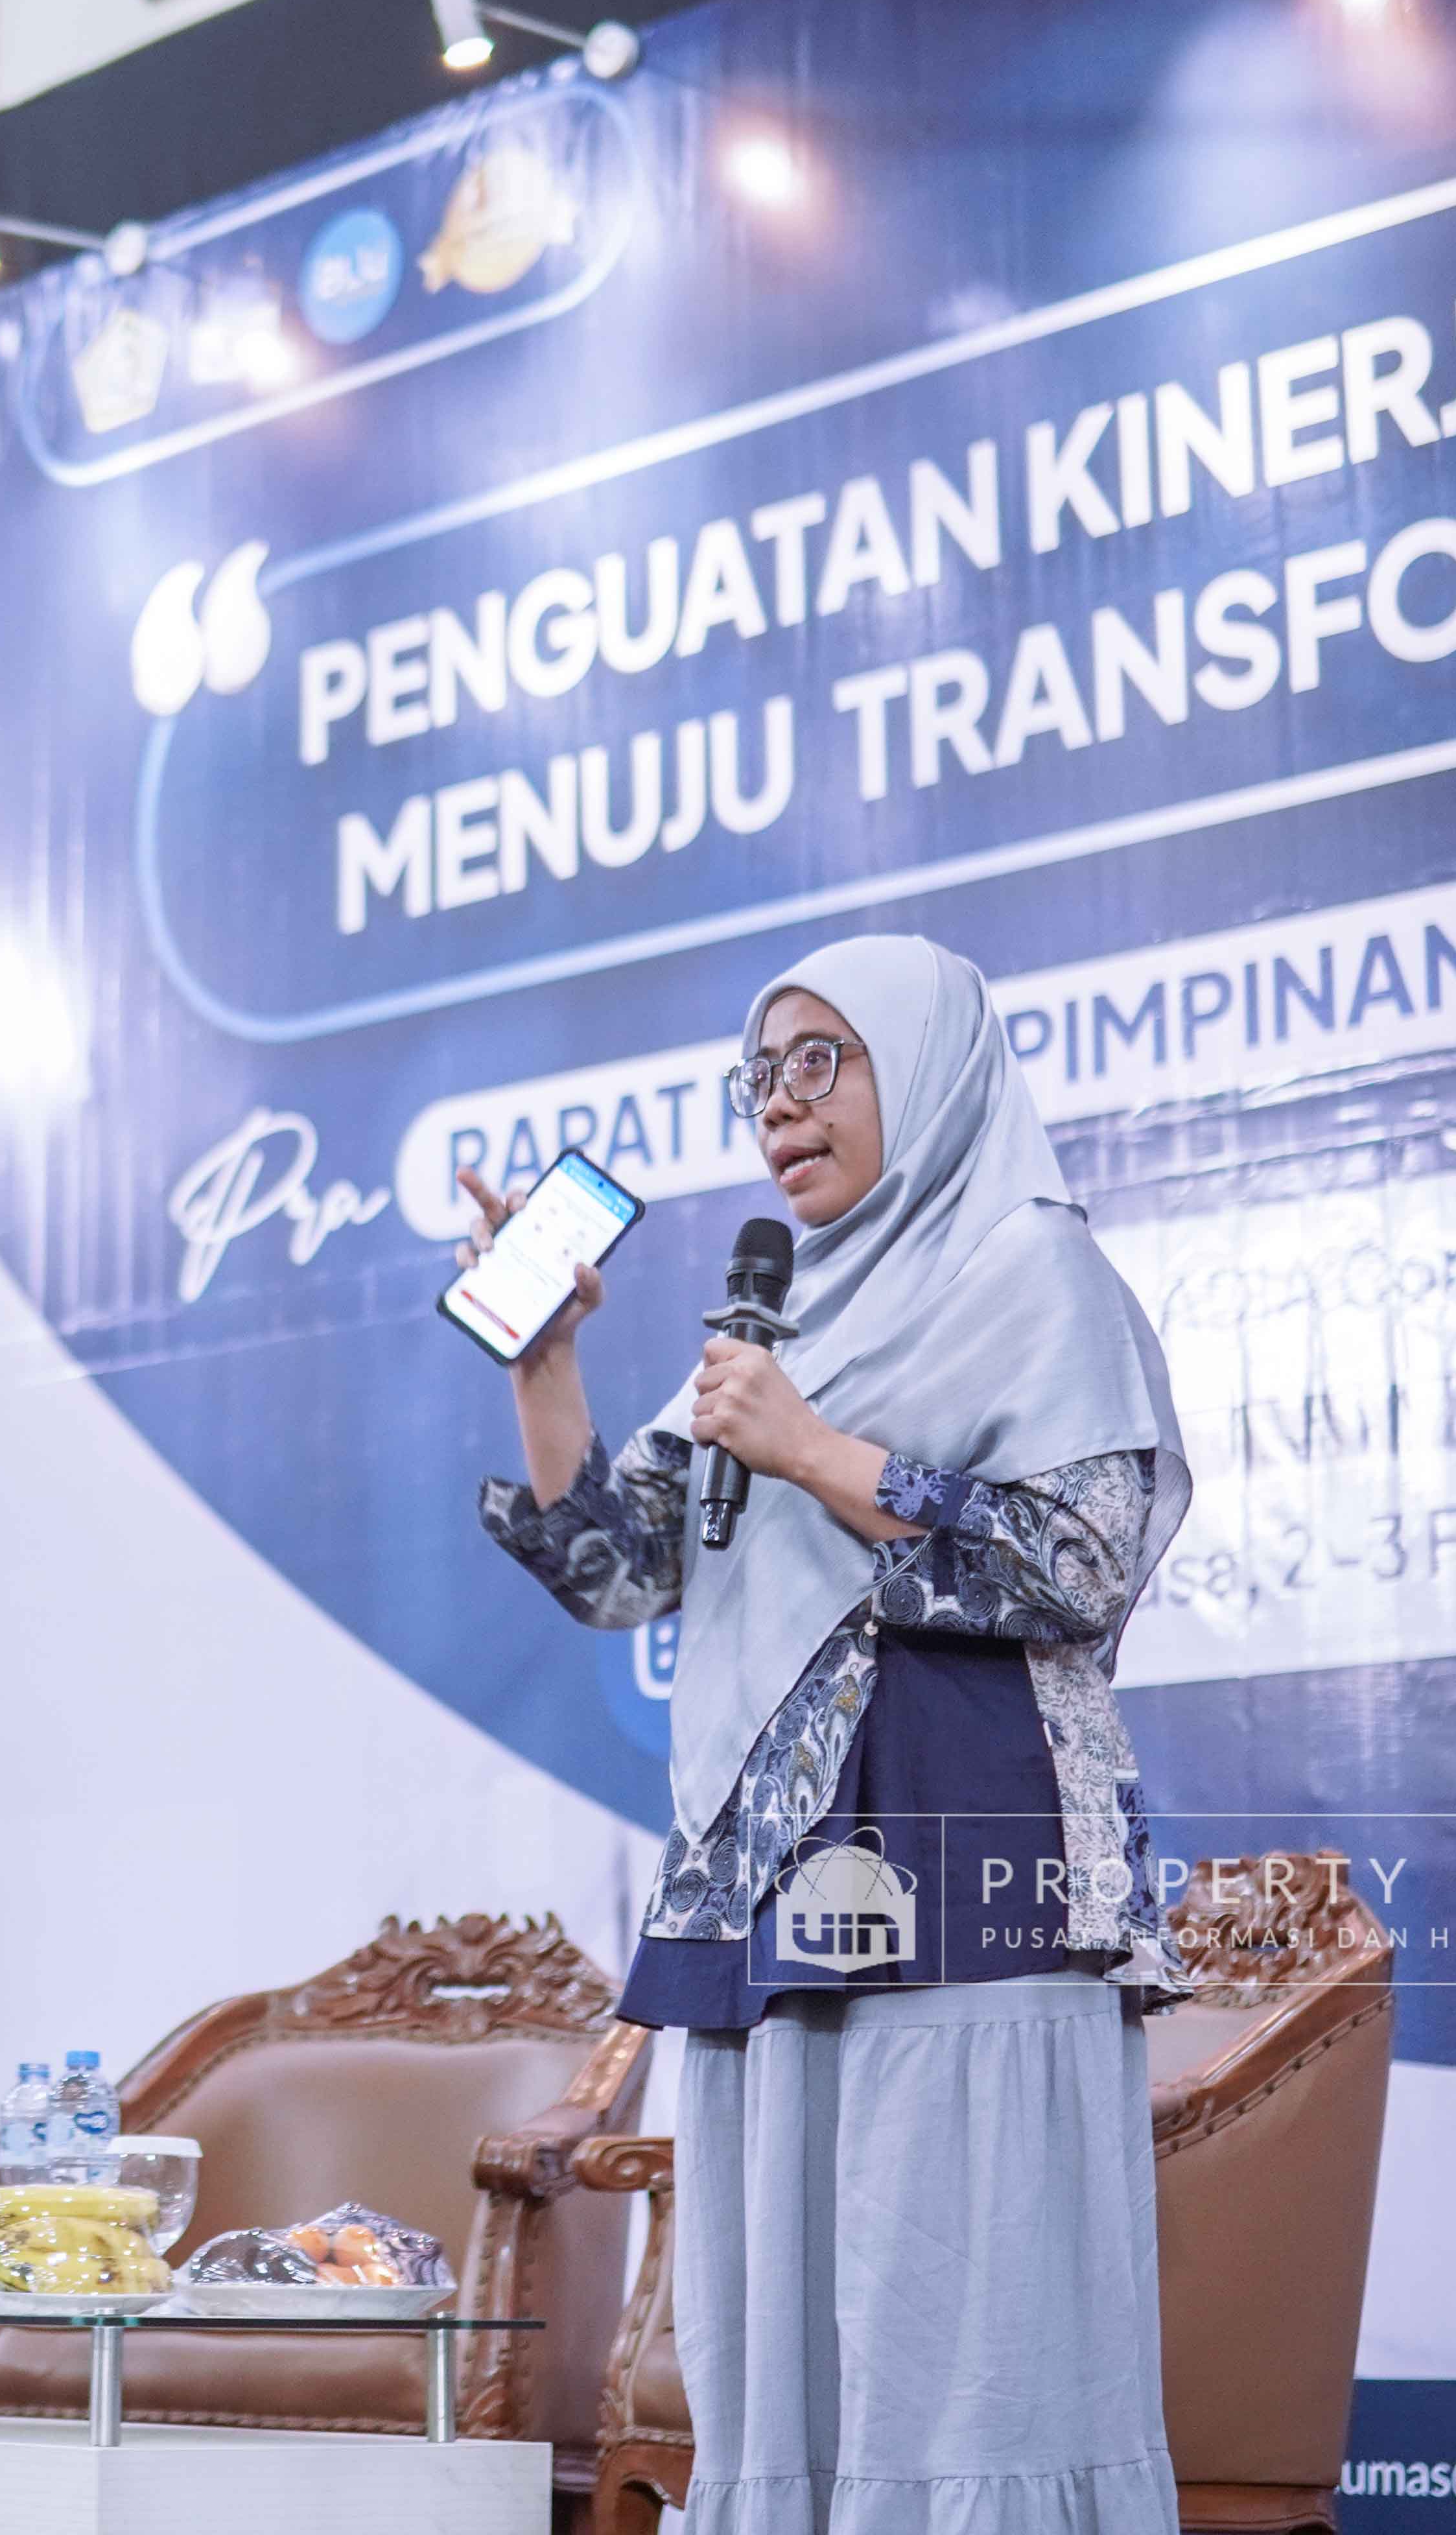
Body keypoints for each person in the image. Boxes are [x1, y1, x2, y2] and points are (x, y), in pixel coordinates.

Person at [462, 934, 1193, 2534]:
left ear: (926, 1066)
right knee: (786, 2349)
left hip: (967, 1850)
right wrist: (548, 1359)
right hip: (764, 1885)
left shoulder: (1032, 1271)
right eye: (760, 1076)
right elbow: (615, 1568)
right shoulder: (773, 1321)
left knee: (966, 2340)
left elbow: (1083, 1559)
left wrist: (817, 1450)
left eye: (820, 1059)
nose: (781, 1103)